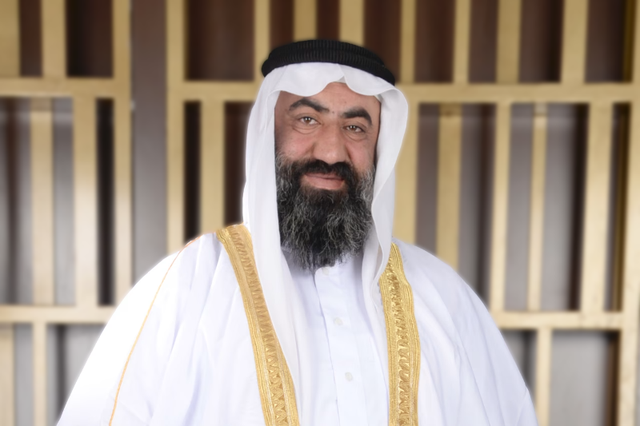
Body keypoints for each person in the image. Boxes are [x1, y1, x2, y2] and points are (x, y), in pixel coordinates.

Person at [59, 40, 537, 425]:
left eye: (356, 127)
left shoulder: (441, 296)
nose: (330, 151)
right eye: (307, 120)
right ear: (267, 133)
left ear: (379, 147)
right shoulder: (187, 287)